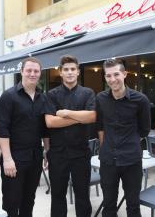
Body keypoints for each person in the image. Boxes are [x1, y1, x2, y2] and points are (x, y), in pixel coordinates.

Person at [96, 59, 151, 217]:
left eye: (116, 74)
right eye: (108, 76)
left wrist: (130, 143)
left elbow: (144, 130)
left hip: (131, 160)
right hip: (108, 161)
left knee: (133, 204)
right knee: (109, 204)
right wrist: (104, 146)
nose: (112, 79)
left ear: (125, 74)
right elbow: (99, 127)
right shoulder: (100, 99)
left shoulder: (141, 100)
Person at [0, 57, 49, 217]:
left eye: (36, 71)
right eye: (29, 70)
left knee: (29, 199)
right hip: (14, 157)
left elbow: (45, 129)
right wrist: (7, 159)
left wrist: (47, 151)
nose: (32, 74)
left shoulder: (42, 97)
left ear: (40, 73)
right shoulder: (9, 96)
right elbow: (2, 129)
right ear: (21, 72)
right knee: (11, 202)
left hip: (35, 157)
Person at [44, 55, 96, 217]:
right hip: (57, 153)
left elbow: (92, 117)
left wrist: (66, 114)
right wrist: (79, 118)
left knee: (82, 195)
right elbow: (50, 122)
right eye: (66, 69)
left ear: (78, 72)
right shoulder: (51, 95)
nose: (69, 72)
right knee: (58, 196)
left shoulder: (87, 93)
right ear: (60, 72)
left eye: (73, 69)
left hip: (81, 153)